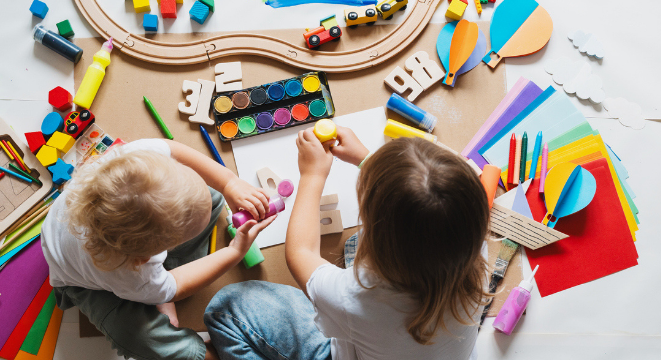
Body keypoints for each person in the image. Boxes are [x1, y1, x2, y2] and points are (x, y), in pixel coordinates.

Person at [205, 127, 489, 360]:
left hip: (349, 346)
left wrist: (312, 175)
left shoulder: (356, 300)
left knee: (226, 308)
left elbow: (300, 253)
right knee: (355, 243)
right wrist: (368, 160)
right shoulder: (474, 251)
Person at [41, 139, 275, 360]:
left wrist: (229, 183)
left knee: (210, 199)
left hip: (106, 243)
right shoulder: (132, 273)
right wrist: (234, 252)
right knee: (144, 339)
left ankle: (157, 286)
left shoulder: (130, 163)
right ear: (143, 259)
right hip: (83, 283)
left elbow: (171, 148)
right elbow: (177, 287)